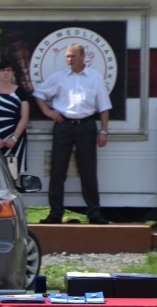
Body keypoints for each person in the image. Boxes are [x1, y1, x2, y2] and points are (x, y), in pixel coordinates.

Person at [32, 43, 112, 224]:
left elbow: (104, 107)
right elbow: (39, 94)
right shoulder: (59, 77)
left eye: (73, 56)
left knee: (88, 171)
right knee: (58, 170)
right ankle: (55, 213)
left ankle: (94, 213)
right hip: (64, 126)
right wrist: (48, 111)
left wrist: (104, 131)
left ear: (83, 57)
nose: (69, 59)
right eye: (67, 56)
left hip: (87, 125)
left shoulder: (94, 77)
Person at [0, 59, 31, 175]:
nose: (5, 73)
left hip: (14, 139)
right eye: (3, 70)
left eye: (8, 70)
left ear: (13, 73)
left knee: (12, 174)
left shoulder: (21, 92)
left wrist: (14, 139)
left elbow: (25, 117)